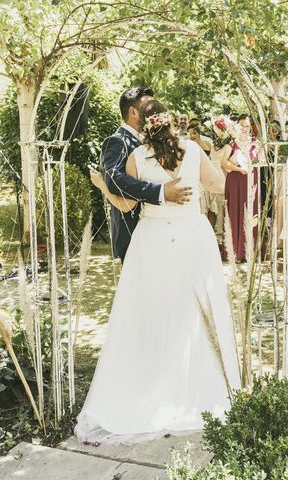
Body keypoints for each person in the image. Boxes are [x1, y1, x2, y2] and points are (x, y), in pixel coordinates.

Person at [76, 99, 240, 444]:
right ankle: (201, 388)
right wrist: (222, 159)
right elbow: (220, 186)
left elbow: (126, 203)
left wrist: (102, 184)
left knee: (152, 312)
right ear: (172, 122)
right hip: (194, 237)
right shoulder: (193, 150)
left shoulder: (136, 157)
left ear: (144, 125)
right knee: (194, 312)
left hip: (151, 239)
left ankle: (155, 386)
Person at [92, 87, 191, 263]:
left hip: (162, 228)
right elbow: (115, 181)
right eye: (147, 106)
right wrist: (160, 192)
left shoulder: (156, 141)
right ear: (133, 112)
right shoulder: (117, 141)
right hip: (133, 229)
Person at [221, 114, 261, 262]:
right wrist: (238, 169)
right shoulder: (231, 144)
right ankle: (236, 251)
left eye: (247, 126)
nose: (244, 128)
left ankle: (250, 250)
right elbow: (223, 163)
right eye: (241, 125)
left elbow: (261, 160)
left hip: (252, 180)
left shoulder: (255, 143)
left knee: (252, 212)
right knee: (235, 211)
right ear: (236, 126)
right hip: (235, 181)